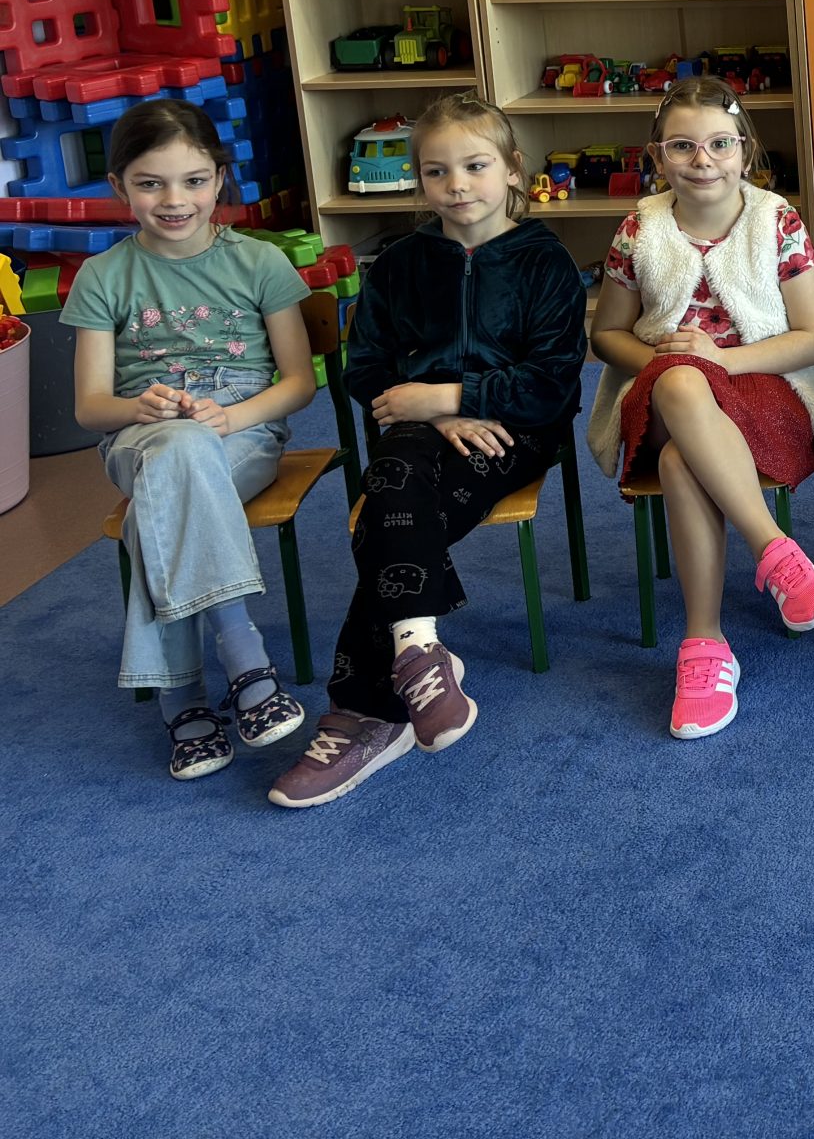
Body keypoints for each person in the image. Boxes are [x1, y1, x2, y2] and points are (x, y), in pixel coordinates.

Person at [268, 97, 588, 808]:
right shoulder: (399, 264)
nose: (457, 184)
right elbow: (365, 369)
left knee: (389, 507)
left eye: (475, 166)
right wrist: (435, 414)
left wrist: (448, 398)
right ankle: (418, 653)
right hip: (415, 432)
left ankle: (363, 711)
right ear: (419, 181)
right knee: (395, 482)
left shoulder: (547, 263)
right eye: (437, 171)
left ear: (513, 170)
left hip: (513, 432)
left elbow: (550, 385)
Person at [588, 76, 814, 738]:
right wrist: (671, 359)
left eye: (719, 144)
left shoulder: (776, 219)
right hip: (660, 392)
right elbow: (606, 335)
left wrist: (718, 361)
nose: (702, 160)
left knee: (683, 462)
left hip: (763, 388)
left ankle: (704, 644)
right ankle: (776, 552)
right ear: (658, 156)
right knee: (680, 386)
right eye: (682, 146)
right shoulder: (640, 228)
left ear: (745, 151)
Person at [68, 100, 315, 781]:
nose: (175, 200)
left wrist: (233, 418)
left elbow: (299, 383)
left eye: (194, 181)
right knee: (175, 457)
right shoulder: (102, 276)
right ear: (119, 186)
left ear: (220, 178)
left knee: (162, 504)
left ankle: (183, 702)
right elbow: (90, 408)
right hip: (141, 436)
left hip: (242, 430)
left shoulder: (260, 261)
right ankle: (246, 661)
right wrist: (136, 405)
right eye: (150, 184)